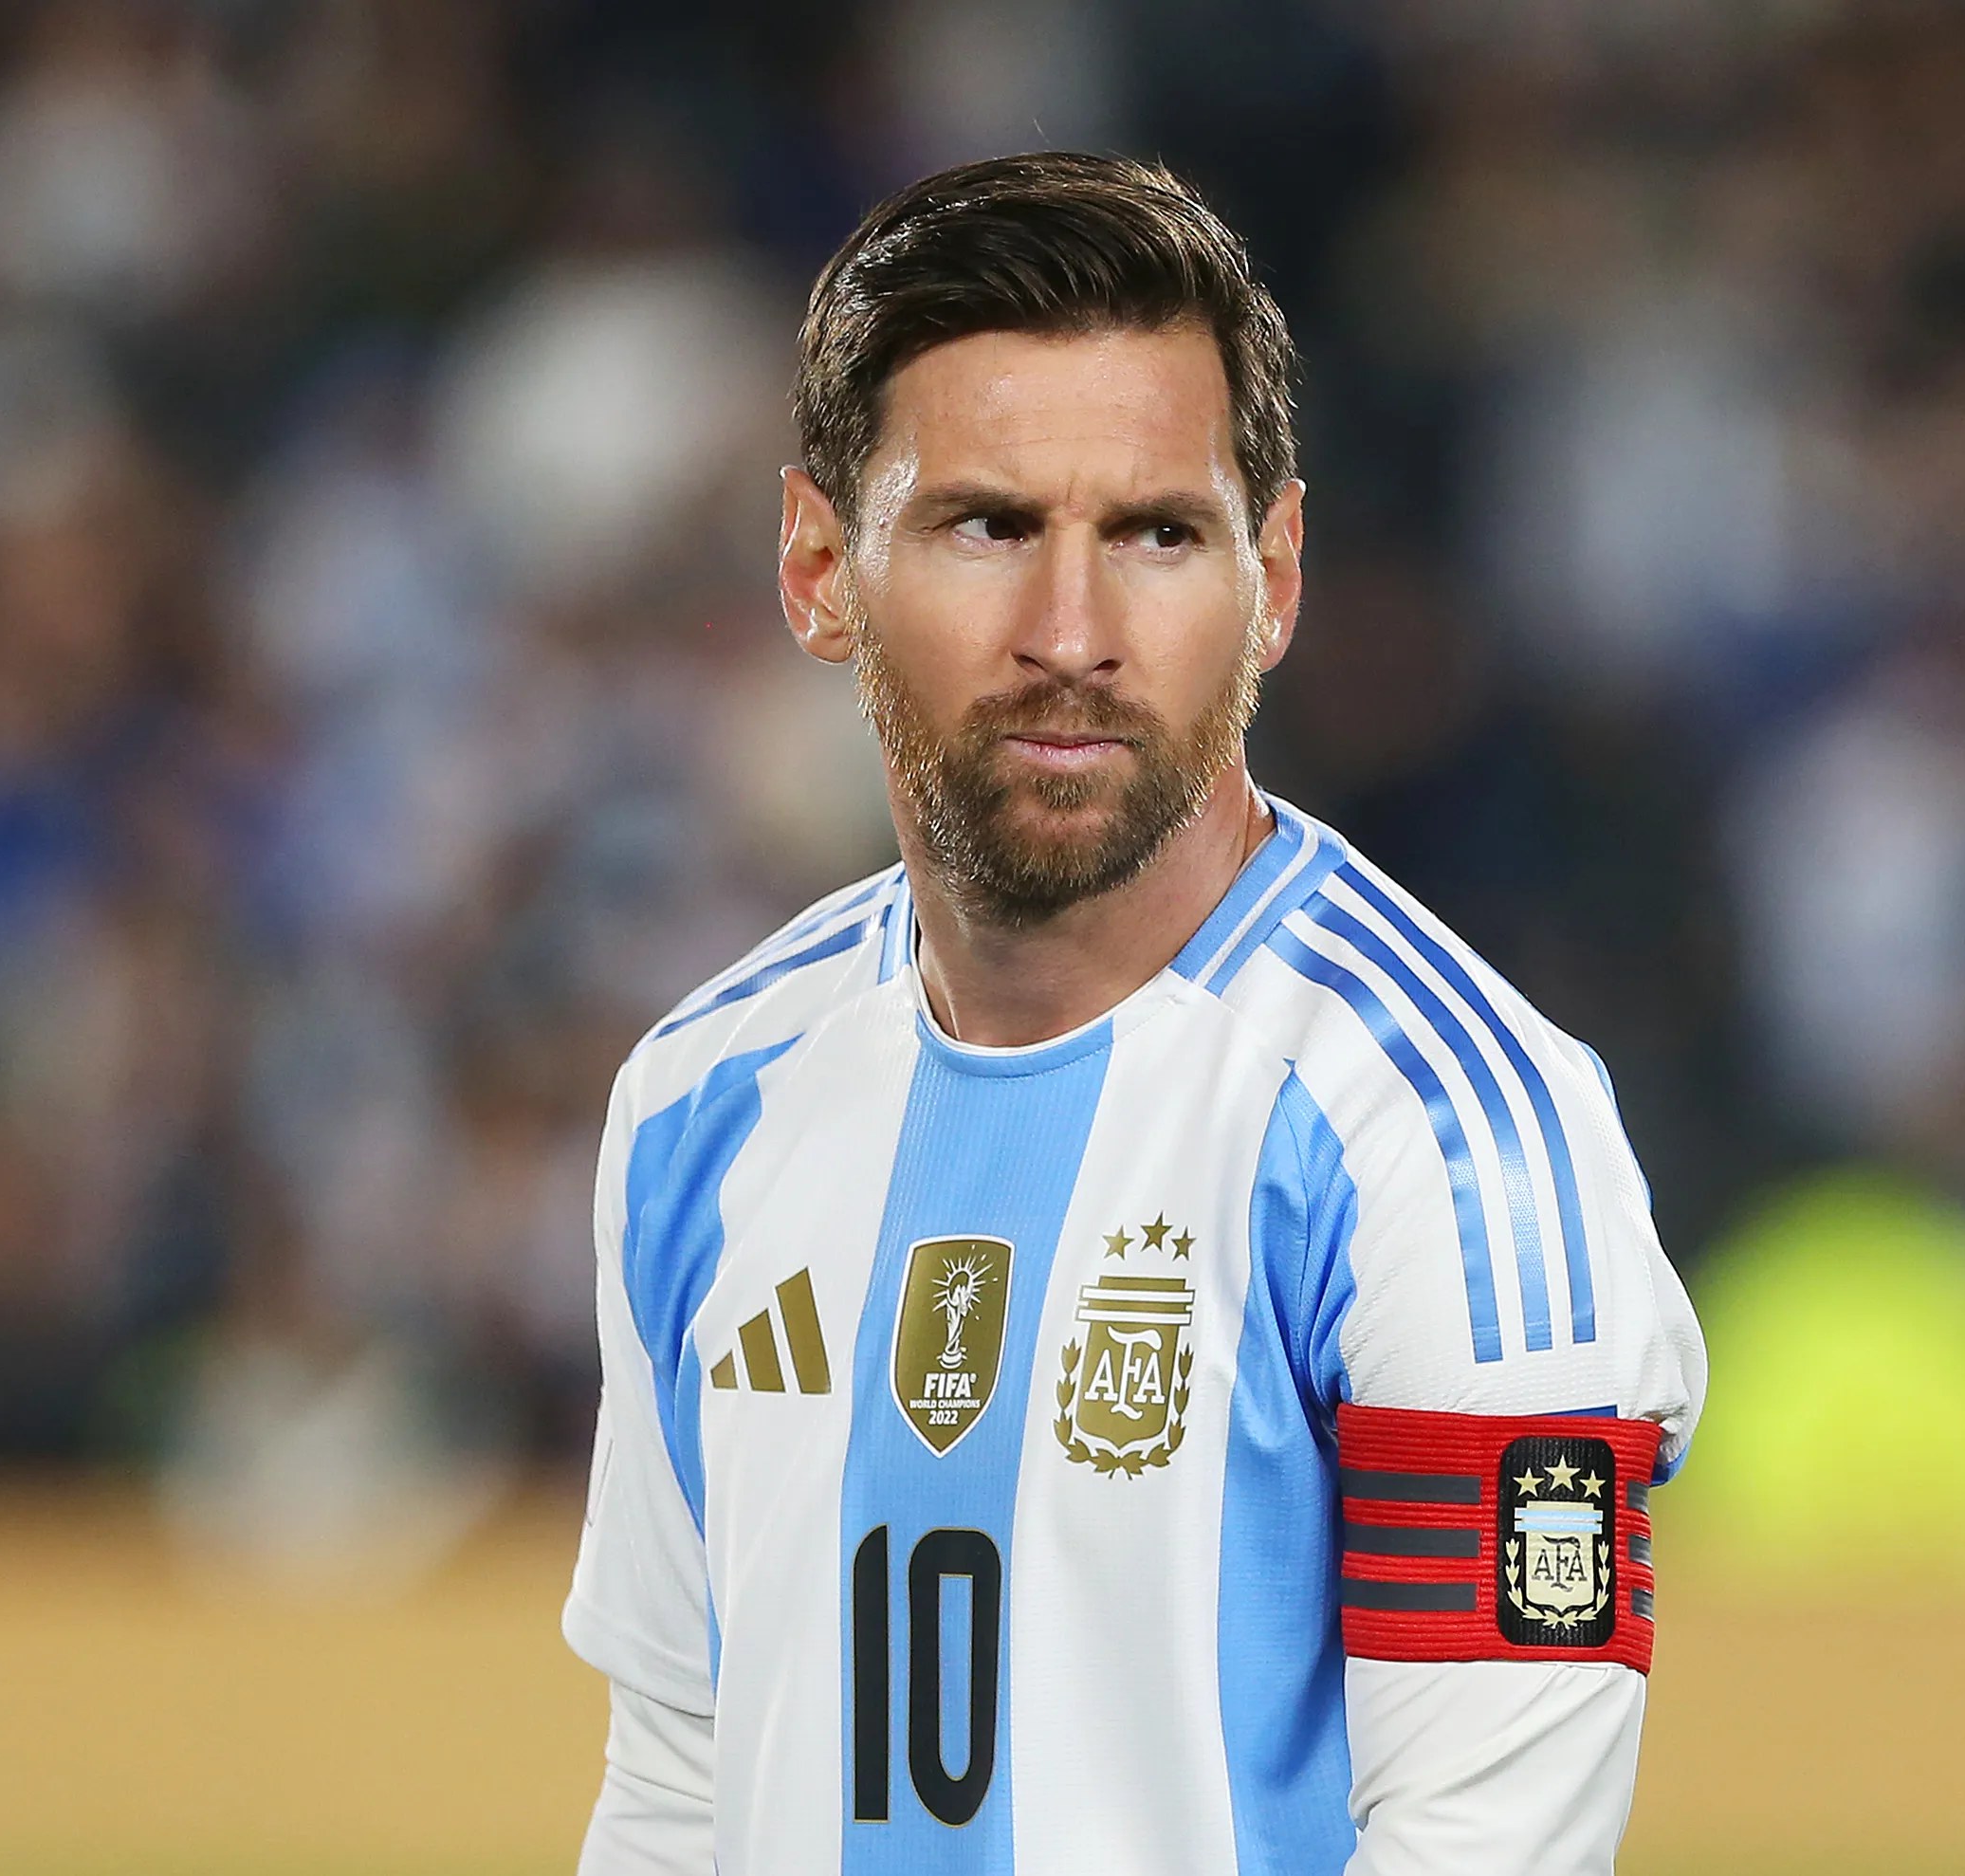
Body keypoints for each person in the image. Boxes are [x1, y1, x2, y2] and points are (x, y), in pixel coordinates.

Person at [564, 151, 1706, 1876]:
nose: (1072, 630)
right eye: (987, 525)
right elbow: (672, 1788)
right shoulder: (699, 1105)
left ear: (1278, 577)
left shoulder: (1444, 1141)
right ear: (815, 567)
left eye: (1158, 534)